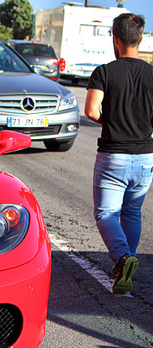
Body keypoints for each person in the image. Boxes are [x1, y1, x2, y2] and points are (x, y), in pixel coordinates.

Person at [84, 13, 153, 294]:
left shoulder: (104, 72)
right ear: (140, 39)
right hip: (145, 156)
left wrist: (110, 120)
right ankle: (126, 261)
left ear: (115, 39)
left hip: (114, 155)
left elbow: (91, 111)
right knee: (132, 211)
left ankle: (123, 258)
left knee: (106, 213)